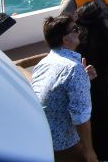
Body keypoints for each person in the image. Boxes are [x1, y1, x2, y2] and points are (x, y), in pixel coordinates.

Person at [32, 15, 98, 162]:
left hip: (43, 137)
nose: (79, 31)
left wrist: (84, 78)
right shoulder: (73, 69)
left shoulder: (44, 62)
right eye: (75, 29)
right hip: (64, 143)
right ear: (65, 39)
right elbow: (80, 117)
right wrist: (89, 151)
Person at [75, 2, 108, 162]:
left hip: (81, 89)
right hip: (103, 88)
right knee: (105, 124)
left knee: (88, 125)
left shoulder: (76, 42)